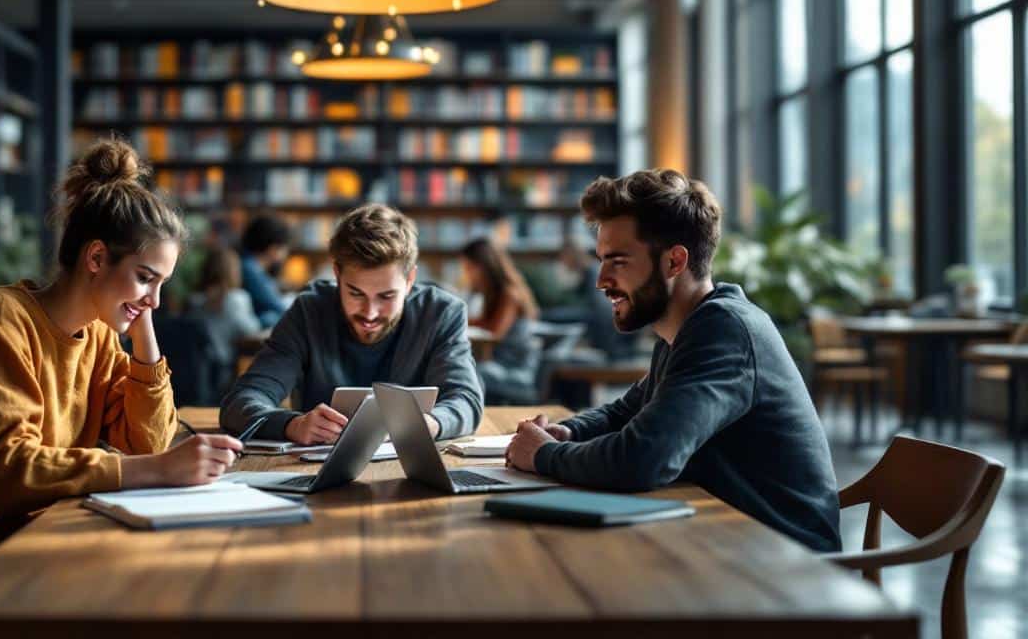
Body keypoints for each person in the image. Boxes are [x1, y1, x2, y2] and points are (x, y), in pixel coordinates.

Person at [0, 139, 242, 616]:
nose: (157, 299)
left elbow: (147, 443)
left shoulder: (99, 335)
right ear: (95, 259)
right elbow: (1, 474)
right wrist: (153, 470)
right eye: (147, 277)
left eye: (163, 284)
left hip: (29, 549)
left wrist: (140, 315)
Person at [504, 169, 842, 553]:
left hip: (785, 563)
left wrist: (545, 456)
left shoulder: (723, 329)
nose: (600, 280)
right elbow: (625, 412)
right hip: (726, 539)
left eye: (617, 261)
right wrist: (568, 433)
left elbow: (643, 459)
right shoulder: (684, 328)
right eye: (601, 260)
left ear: (674, 262)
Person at [220, 203, 482, 443]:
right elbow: (240, 403)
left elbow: (466, 400)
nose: (370, 313)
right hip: (314, 473)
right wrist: (292, 424)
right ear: (337, 274)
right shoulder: (308, 312)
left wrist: (431, 424)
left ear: (410, 280)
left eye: (387, 296)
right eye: (355, 293)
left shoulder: (441, 314)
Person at [459, 237, 541, 404]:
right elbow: (483, 322)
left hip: (511, 367)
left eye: (469, 267)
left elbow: (495, 332)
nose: (467, 273)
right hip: (498, 362)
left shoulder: (509, 294)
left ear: (484, 267)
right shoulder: (492, 294)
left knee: (465, 371)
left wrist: (459, 319)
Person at [185, 245, 262, 397]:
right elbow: (251, 330)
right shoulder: (236, 298)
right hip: (223, 369)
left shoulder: (193, 300)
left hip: (194, 369)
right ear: (233, 271)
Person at [238, 214, 291, 327]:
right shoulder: (250, 268)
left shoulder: (249, 264)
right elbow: (276, 305)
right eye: (284, 247)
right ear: (272, 248)